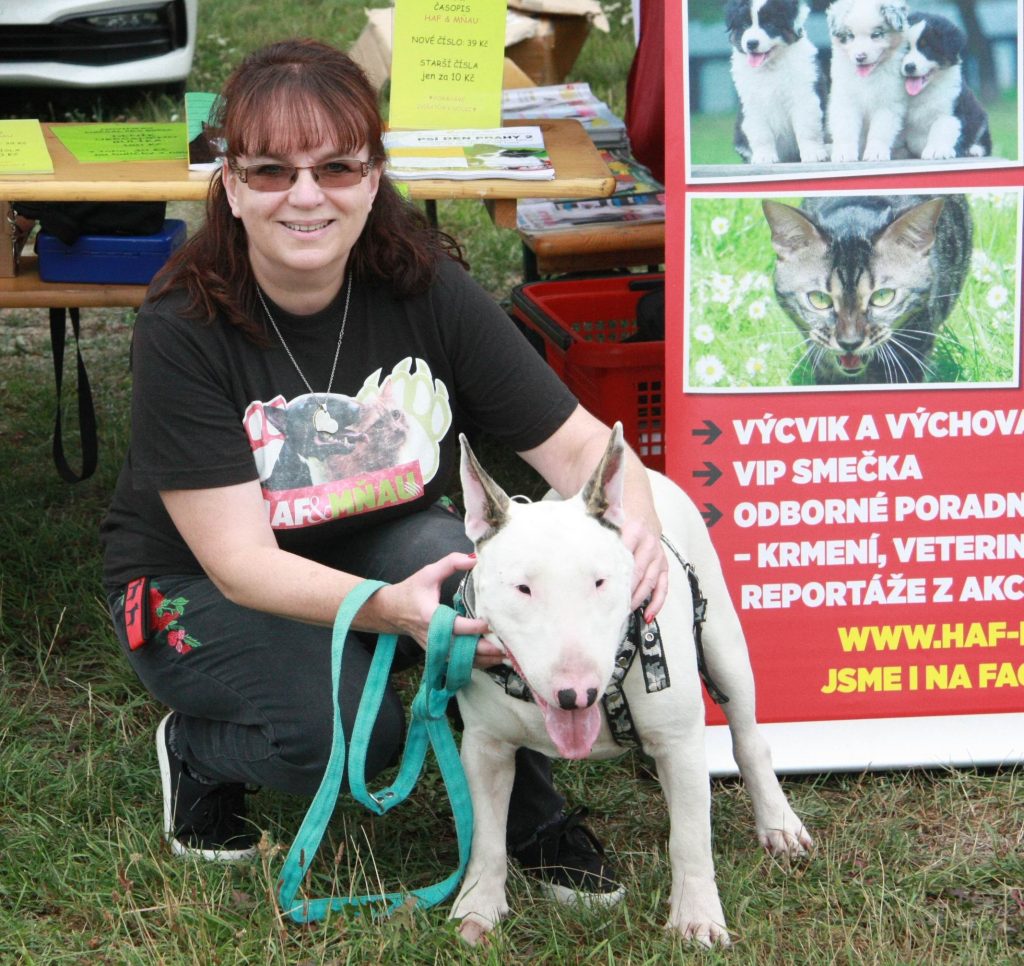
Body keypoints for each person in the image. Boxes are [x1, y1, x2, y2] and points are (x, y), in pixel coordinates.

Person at [100, 39, 667, 904]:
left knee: (478, 572)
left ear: (372, 179)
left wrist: (645, 530)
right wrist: (386, 609)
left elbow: (586, 449)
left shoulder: (424, 288)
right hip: (197, 583)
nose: (305, 195)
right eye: (270, 170)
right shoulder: (185, 324)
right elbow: (239, 563)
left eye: (335, 167)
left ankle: (531, 818)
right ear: (229, 185)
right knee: (353, 739)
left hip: (376, 544)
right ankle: (198, 750)